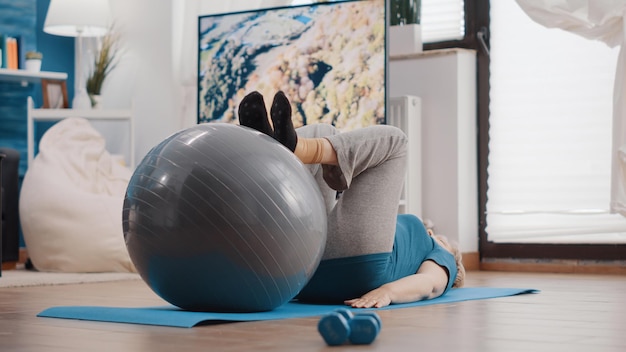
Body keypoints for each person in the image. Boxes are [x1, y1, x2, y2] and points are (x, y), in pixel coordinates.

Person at [238, 91, 466, 308]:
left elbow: (431, 284)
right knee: (324, 131)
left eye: (446, 240)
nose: (439, 236)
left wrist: (388, 292)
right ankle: (270, 149)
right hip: (305, 273)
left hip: (359, 269)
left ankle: (292, 148)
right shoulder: (410, 240)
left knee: (396, 141)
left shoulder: (442, 255)